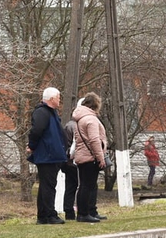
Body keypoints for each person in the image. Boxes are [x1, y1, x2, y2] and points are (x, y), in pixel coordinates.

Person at [27, 87, 66, 225]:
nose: (60, 99)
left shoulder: (51, 113)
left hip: (52, 155)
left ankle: (44, 215)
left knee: (47, 186)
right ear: (51, 99)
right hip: (47, 155)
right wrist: (32, 146)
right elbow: (36, 131)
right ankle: (49, 214)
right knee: (48, 186)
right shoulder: (42, 112)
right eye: (58, 97)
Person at [71, 92, 108, 223]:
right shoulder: (90, 119)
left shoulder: (79, 118)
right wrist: (100, 157)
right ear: (96, 105)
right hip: (90, 157)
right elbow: (94, 140)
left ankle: (86, 212)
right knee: (87, 186)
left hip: (82, 155)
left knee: (84, 185)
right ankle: (84, 213)